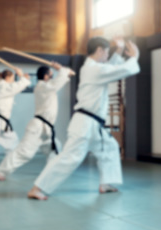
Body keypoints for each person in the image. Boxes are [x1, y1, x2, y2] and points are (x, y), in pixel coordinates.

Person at [27, 37, 140, 200]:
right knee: (70, 158)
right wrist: (134, 57)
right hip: (85, 124)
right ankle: (37, 188)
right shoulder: (92, 69)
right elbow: (117, 70)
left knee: (109, 148)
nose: (107, 56)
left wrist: (119, 51)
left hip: (93, 124)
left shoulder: (95, 68)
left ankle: (107, 183)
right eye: (107, 53)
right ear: (100, 50)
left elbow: (109, 68)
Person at [0, 64, 72, 181]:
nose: (52, 75)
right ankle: (0, 172)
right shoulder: (43, 86)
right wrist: (62, 70)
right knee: (24, 152)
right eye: (50, 73)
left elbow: (59, 81)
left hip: (46, 129)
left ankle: (49, 175)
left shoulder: (45, 86)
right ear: (45, 76)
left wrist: (63, 72)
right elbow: (58, 82)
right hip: (38, 127)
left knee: (55, 150)